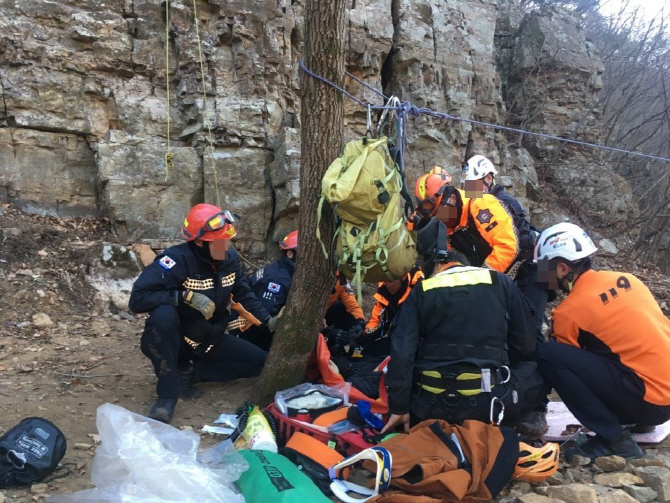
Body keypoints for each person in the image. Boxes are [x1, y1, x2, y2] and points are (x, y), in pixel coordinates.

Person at [381, 219, 548, 436]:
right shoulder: (500, 282)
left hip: (429, 407)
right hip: (489, 405)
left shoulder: (422, 290)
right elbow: (525, 343)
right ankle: (528, 420)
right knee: (540, 367)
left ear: (436, 264)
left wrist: (399, 408)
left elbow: (402, 353)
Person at [129, 204, 278, 423]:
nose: (225, 246)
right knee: (163, 315)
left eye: (227, 240)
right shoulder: (176, 260)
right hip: (177, 340)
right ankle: (167, 395)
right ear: (199, 242)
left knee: (261, 363)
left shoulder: (230, 259)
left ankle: (192, 372)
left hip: (210, 337)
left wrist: (268, 321)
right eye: (219, 242)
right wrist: (183, 297)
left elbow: (244, 293)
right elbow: (138, 299)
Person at [534, 222, 670, 460]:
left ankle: (614, 439)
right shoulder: (628, 279)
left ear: (563, 268)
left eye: (545, 269)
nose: (542, 276)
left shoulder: (569, 312)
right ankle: (638, 421)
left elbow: (571, 373)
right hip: (663, 396)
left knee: (549, 355)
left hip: (649, 402)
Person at [461, 155, 548, 344]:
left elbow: (511, 246)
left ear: (488, 179)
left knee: (530, 329)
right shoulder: (485, 203)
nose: (469, 190)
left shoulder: (497, 203)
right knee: (519, 323)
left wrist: (483, 277)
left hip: (532, 268)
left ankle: (540, 364)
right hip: (521, 268)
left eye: (473, 184)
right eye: (467, 185)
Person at [234, 230, 298, 351]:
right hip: (249, 334)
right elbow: (264, 321)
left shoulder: (284, 272)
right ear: (290, 254)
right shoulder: (277, 280)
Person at [362, 265, 424, 356]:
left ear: (403, 277)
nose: (388, 285)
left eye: (391, 282)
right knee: (368, 353)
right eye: (385, 282)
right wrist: (365, 335)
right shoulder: (384, 289)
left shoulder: (419, 286)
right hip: (396, 337)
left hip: (417, 339)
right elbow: (375, 319)